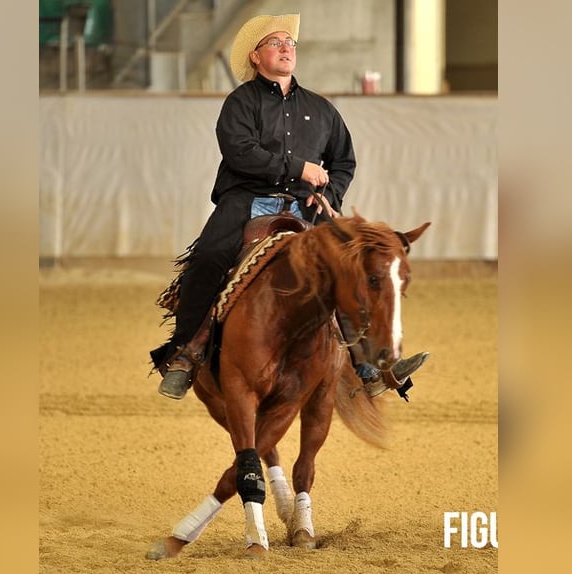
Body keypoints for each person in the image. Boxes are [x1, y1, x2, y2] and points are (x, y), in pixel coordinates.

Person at [152, 13, 428, 400]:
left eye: (290, 44)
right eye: (275, 43)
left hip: (304, 208)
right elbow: (240, 152)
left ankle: (368, 366)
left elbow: (344, 162)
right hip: (245, 202)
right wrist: (299, 168)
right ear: (255, 56)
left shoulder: (322, 109)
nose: (286, 48)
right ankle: (186, 353)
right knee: (209, 258)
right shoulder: (240, 103)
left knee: (344, 270)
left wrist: (327, 197)